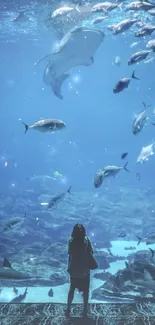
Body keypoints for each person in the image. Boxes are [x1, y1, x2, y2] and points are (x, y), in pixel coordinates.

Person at [66, 224, 94, 317]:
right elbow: (91, 252)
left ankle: (68, 308)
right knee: (86, 290)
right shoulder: (86, 240)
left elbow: (69, 253)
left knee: (72, 288)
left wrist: (69, 268)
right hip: (84, 269)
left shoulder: (71, 240)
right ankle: (85, 308)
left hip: (73, 269)